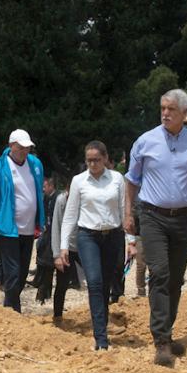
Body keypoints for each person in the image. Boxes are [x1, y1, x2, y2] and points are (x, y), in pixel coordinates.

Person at [124, 89, 187, 367]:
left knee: (176, 278)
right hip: (152, 216)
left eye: (171, 109)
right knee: (159, 273)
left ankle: (167, 331)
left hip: (183, 217)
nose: (165, 113)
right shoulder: (145, 141)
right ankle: (161, 341)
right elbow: (132, 180)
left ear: (184, 113)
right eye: (162, 108)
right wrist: (128, 213)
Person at [59, 141, 130, 351]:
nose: (93, 164)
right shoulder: (78, 181)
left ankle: (102, 326)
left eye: (97, 160)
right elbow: (70, 215)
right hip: (88, 236)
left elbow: (125, 211)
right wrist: (64, 245)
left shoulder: (117, 179)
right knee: (95, 282)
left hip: (113, 236)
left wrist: (131, 240)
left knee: (107, 283)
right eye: (89, 160)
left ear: (106, 158)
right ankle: (101, 338)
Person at [0, 129, 45, 313]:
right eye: (21, 147)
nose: (25, 151)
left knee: (23, 272)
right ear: (11, 146)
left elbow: (37, 192)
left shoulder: (35, 164)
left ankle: (10, 309)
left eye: (27, 148)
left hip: (29, 229)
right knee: (13, 273)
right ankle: (12, 310)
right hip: (8, 228)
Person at [51, 182, 81, 323]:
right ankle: (57, 316)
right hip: (66, 247)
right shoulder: (62, 200)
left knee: (96, 282)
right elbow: (56, 226)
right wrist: (57, 254)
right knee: (62, 283)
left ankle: (100, 316)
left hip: (85, 246)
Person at [31, 177, 58, 302]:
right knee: (42, 258)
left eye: (45, 186)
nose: (43, 189)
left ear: (51, 186)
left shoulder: (57, 198)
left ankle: (44, 291)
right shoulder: (46, 198)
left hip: (53, 234)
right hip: (46, 232)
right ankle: (39, 283)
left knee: (48, 263)